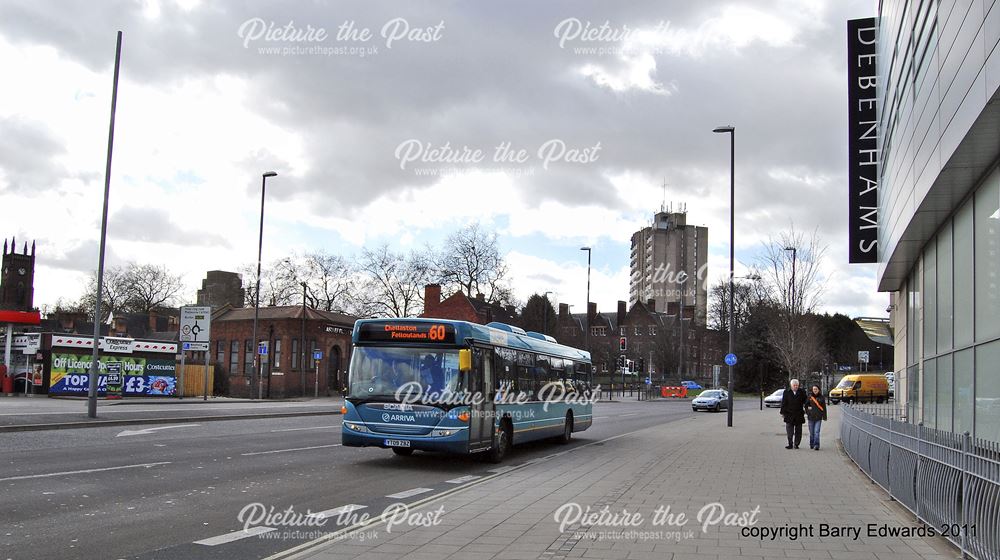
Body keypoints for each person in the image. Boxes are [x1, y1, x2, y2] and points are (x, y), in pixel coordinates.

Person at [779, 378, 807, 449]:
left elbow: (806, 401)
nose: (796, 387)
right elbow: (784, 403)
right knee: (789, 431)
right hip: (789, 414)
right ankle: (790, 444)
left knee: (798, 431)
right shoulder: (786, 392)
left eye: (797, 385)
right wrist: (782, 412)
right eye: (794, 385)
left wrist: (807, 407)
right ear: (791, 386)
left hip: (799, 414)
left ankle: (796, 444)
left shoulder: (802, 392)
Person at [805, 385, 828, 450]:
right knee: (811, 433)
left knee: (816, 432)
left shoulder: (821, 397)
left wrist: (824, 416)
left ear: (818, 390)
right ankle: (812, 444)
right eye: (814, 389)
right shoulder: (809, 397)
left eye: (816, 389)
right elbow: (806, 406)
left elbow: (824, 407)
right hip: (811, 417)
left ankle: (816, 445)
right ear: (812, 390)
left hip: (818, 417)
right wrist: (808, 412)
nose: (815, 390)